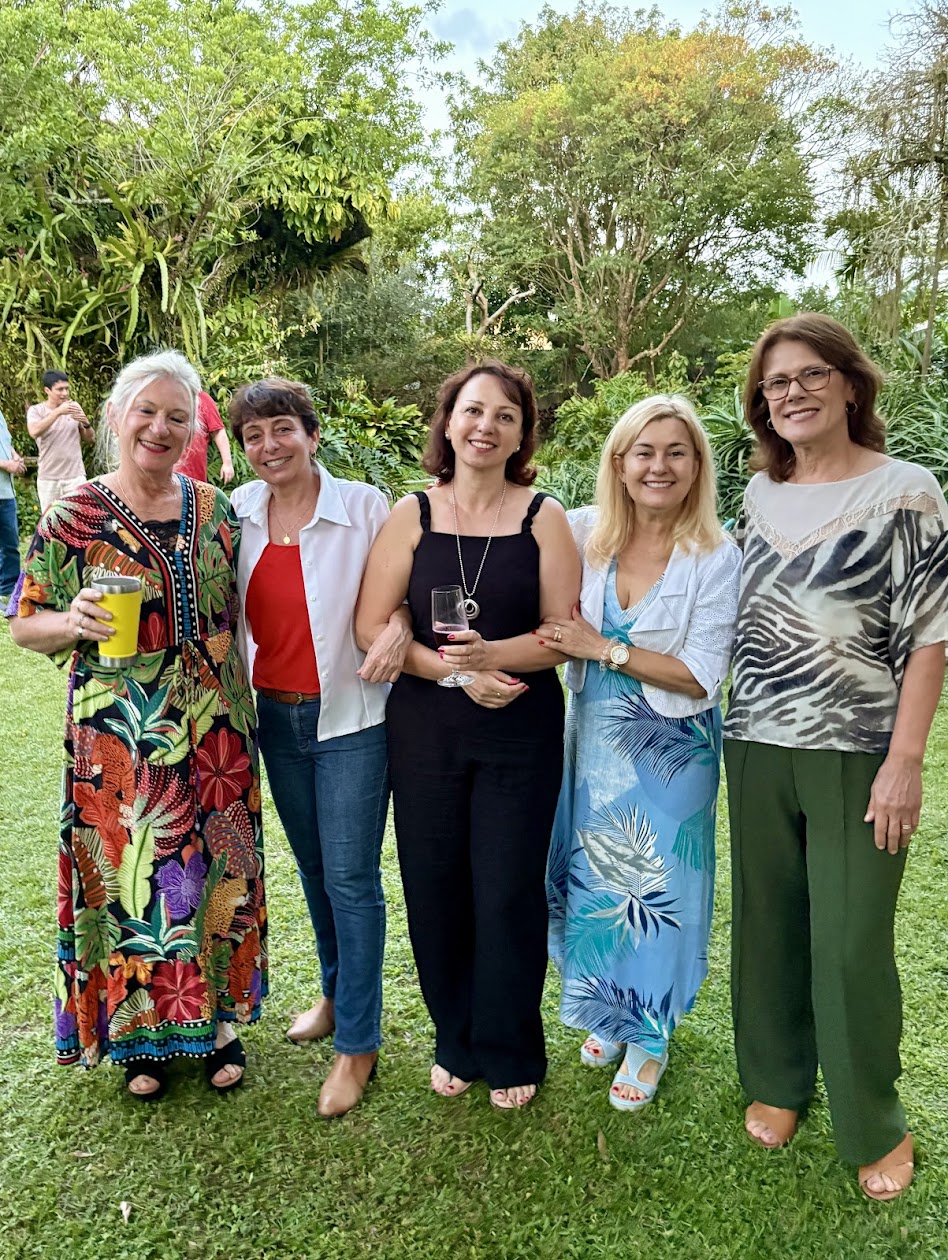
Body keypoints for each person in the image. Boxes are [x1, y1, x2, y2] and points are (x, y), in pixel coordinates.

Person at [724, 313, 948, 1201]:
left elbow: (930, 636)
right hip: (755, 741)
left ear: (851, 384)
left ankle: (872, 1119)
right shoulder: (757, 494)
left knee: (851, 940)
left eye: (812, 374)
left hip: (857, 750)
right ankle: (779, 1081)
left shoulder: (907, 489)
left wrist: (906, 760)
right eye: (777, 382)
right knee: (768, 925)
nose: (794, 393)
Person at [8, 350, 267, 1101]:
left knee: (221, 868)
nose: (160, 427)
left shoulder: (216, 510)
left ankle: (218, 1022)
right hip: (120, 732)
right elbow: (25, 624)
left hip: (218, 729)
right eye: (145, 411)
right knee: (135, 872)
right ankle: (137, 1031)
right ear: (116, 417)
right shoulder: (74, 515)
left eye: (177, 417)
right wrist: (71, 621)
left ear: (194, 431)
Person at [356, 359, 580, 1109]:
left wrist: (491, 658)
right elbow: (371, 625)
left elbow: (562, 632)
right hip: (428, 730)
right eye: (473, 411)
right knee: (435, 885)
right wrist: (456, 673)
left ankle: (511, 1046)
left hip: (521, 730)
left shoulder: (543, 516)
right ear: (448, 424)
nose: (486, 426)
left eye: (505, 416)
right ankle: (454, 1038)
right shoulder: (411, 513)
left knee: (508, 889)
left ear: (521, 435)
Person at [540, 395, 740, 1111]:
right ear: (619, 464)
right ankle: (610, 1011)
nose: (660, 466)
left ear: (697, 466)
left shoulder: (715, 554)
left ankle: (650, 1037)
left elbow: (701, 674)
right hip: (594, 742)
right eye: (644, 452)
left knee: (658, 892)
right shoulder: (582, 532)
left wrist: (604, 648)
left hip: (671, 749)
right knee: (600, 881)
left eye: (676, 452)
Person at [229, 377, 410, 1118]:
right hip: (275, 719)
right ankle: (336, 995)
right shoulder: (237, 512)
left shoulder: (364, 507)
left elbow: (403, 588)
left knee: (352, 878)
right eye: (253, 436)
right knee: (313, 869)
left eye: (283, 429)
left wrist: (401, 621)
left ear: (311, 433)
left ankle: (359, 1044)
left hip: (352, 720)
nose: (270, 446)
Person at [27, 370, 94, 511]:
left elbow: (90, 439)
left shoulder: (74, 407)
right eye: (60, 389)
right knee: (51, 520)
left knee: (78, 519)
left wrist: (86, 423)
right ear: (47, 390)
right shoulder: (36, 410)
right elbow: (34, 431)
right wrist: (58, 412)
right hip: (48, 479)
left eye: (67, 389)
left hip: (75, 477)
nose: (65, 393)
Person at [175, 389, 234, 485]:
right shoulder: (165, 398)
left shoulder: (202, 398)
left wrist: (227, 463)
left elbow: (218, 431)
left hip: (195, 476)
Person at [0, 405, 27, 612]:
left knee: (10, 544)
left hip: (6, 492)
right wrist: (5, 465)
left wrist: (14, 457)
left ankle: (8, 591)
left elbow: (5, 443)